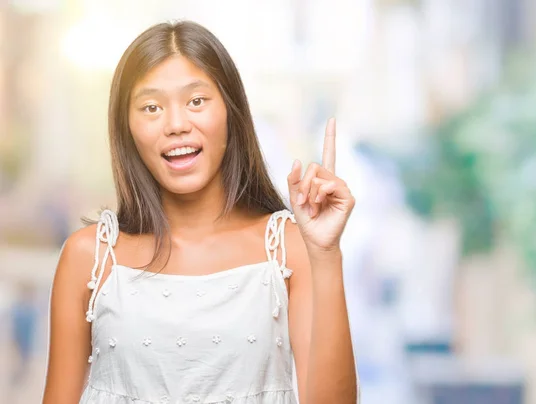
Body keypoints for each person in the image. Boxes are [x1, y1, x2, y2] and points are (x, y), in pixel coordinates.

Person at [42, 20, 359, 404]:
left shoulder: (288, 249)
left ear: (231, 111)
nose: (177, 125)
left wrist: (325, 253)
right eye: (151, 107)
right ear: (127, 128)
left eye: (196, 101)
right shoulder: (89, 257)